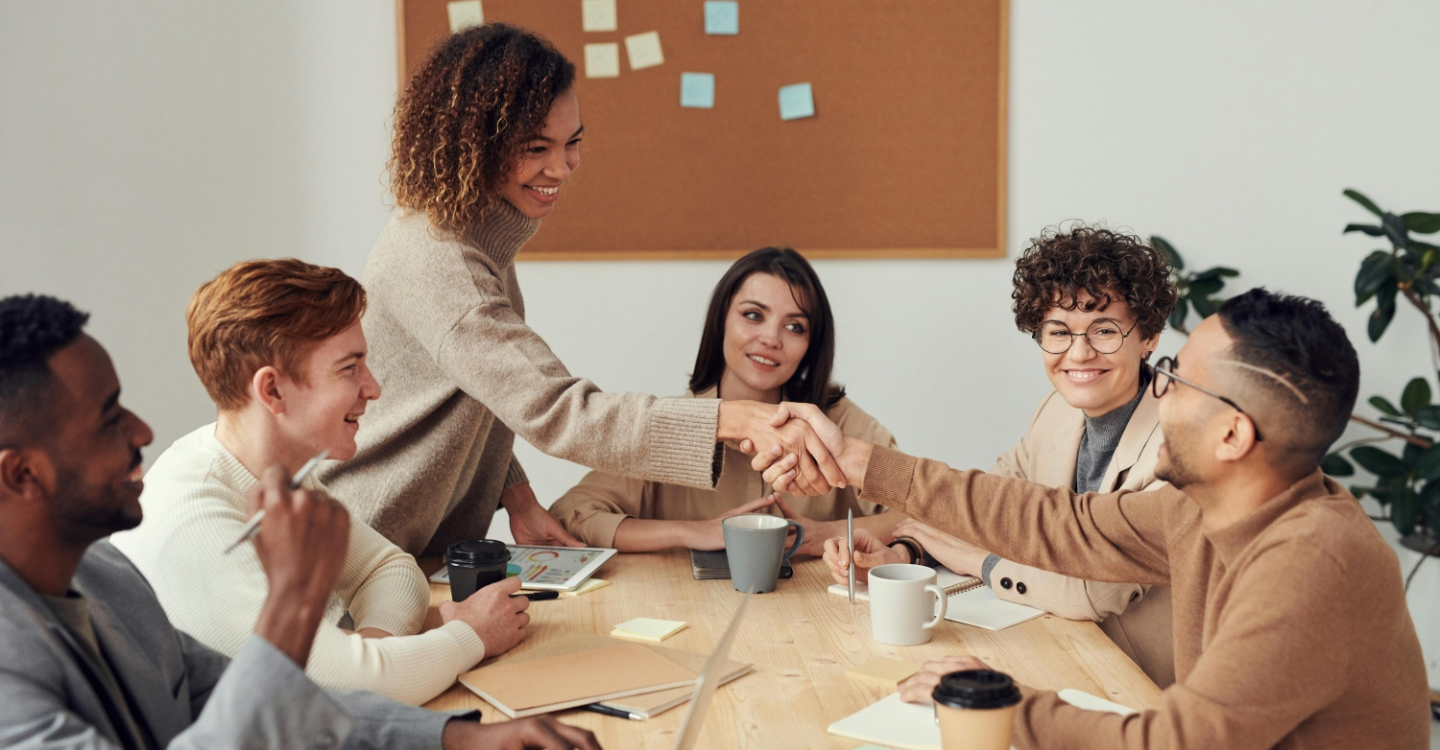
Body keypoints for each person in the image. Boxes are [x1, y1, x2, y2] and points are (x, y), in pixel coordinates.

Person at [762, 288, 1430, 749]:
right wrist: (860, 462)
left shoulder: (1312, 561)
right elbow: (1059, 524)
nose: (1155, 390)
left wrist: (1003, 703)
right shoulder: (1205, 508)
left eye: (1173, 377)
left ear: (1232, 435)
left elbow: (1179, 742)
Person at [318, 23, 843, 558]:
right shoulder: (443, 261)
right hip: (363, 549)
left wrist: (516, 495)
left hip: (414, 551)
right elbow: (558, 410)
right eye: (536, 147)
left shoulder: (473, 237)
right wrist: (727, 418)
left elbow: (483, 391)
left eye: (573, 143)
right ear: (475, 145)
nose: (562, 167)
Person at [0, 294, 600, 750]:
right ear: (22, 475)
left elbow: (269, 699)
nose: (143, 432)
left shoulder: (104, 575)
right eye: (109, 421)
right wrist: (294, 600)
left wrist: (458, 738)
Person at [111, 260, 526, 705]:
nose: (373, 389)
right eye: (349, 369)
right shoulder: (196, 520)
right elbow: (334, 693)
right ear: (271, 391)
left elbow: (390, 569)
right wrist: (470, 635)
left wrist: (371, 652)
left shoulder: (273, 470)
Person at [823, 226, 1179, 686]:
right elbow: (985, 508)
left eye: (1104, 330)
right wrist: (905, 552)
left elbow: (1093, 591)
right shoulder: (1055, 412)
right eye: (1058, 332)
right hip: (1059, 653)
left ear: (1148, 335)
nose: (1079, 352)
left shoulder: (1176, 443)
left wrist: (981, 563)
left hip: (1144, 686)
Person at [548, 248, 896, 554]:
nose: (771, 339)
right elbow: (571, 514)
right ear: (721, 322)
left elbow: (927, 515)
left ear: (811, 346)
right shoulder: (671, 426)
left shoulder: (842, 424)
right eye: (753, 315)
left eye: (794, 327)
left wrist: (830, 534)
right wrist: (691, 531)